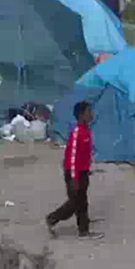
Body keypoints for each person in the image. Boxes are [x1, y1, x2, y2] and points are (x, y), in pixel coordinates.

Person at [46, 101, 103, 240]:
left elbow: (83, 154)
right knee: (75, 203)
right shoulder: (77, 132)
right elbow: (72, 158)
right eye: (89, 111)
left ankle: (83, 227)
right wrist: (74, 178)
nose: (91, 114)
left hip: (82, 172)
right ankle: (52, 219)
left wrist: (86, 170)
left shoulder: (86, 130)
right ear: (81, 115)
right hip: (74, 173)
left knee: (82, 201)